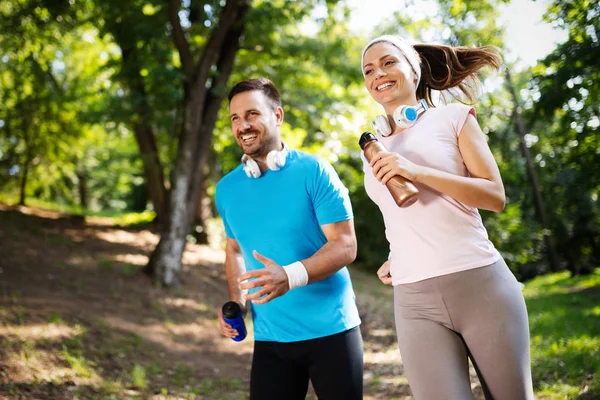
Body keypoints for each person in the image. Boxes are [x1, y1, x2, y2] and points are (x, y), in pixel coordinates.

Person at [360, 35, 535, 399]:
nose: (379, 73)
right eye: (369, 70)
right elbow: (401, 215)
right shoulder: (372, 150)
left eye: (388, 62)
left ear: (413, 68)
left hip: (479, 284)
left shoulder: (452, 118)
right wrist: (399, 253)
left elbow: (494, 195)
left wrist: (416, 172)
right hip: (413, 299)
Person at [215, 77, 363, 400]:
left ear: (277, 116)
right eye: (235, 119)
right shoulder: (227, 189)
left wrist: (290, 276)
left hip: (332, 331)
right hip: (271, 339)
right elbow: (235, 250)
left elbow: (346, 244)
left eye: (252, 114)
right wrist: (238, 303)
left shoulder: (315, 171)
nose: (243, 126)